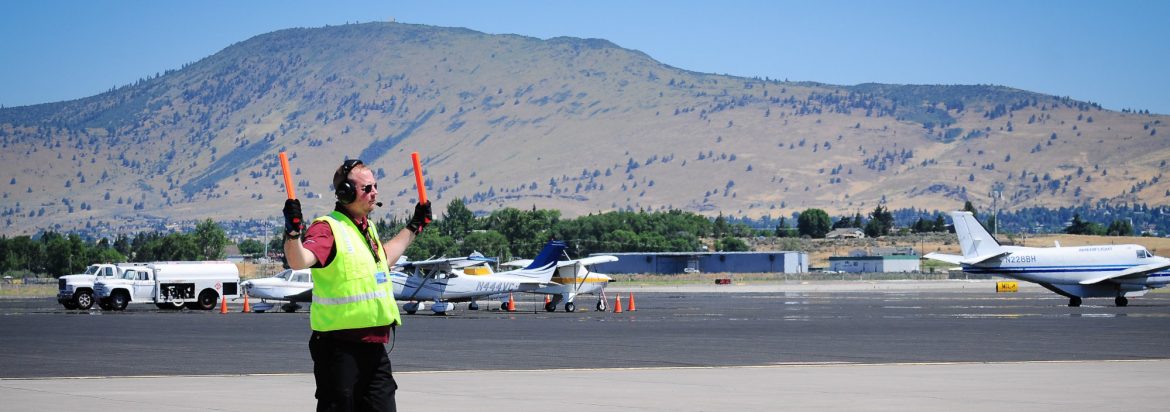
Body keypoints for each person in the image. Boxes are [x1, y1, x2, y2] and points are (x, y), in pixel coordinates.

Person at [282, 158, 431, 411]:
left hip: (374, 347)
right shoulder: (327, 229)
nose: (374, 193)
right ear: (346, 193)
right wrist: (293, 233)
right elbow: (299, 260)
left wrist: (415, 226)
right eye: (367, 188)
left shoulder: (365, 228)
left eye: (375, 186)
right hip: (339, 348)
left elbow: (383, 257)